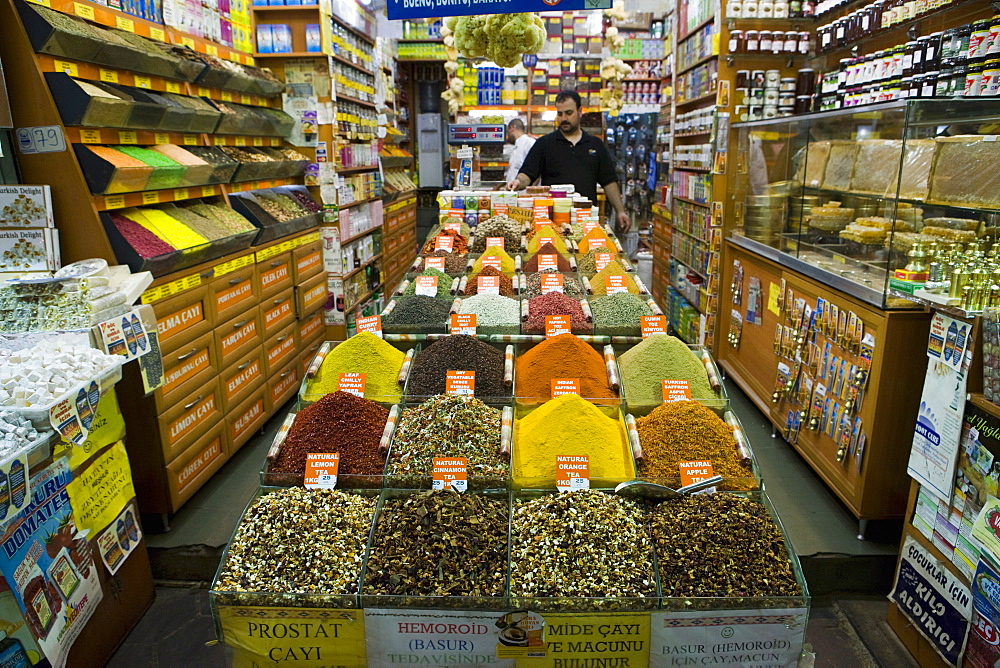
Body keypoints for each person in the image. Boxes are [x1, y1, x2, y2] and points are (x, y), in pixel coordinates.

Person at [506, 90, 631, 232]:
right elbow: (527, 174)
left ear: (580, 111)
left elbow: (609, 181)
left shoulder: (595, 144)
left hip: (585, 220)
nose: (564, 118)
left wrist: (620, 211)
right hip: (551, 222)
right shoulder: (544, 144)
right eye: (560, 114)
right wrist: (517, 182)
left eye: (569, 113)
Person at [504, 118, 536, 185]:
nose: (507, 136)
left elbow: (537, 171)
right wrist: (497, 187)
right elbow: (512, 172)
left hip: (524, 192)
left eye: (508, 132)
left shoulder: (530, 143)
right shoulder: (516, 148)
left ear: (512, 128)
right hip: (514, 192)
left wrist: (530, 191)